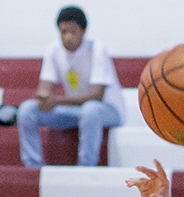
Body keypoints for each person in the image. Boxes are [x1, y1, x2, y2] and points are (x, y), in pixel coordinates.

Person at [18, 6, 124, 169]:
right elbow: (44, 87)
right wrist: (43, 98)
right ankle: (33, 168)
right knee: (27, 110)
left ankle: (86, 167)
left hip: (107, 110)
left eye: (72, 32)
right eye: (63, 32)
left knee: (91, 110)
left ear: (83, 31)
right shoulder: (53, 50)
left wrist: (56, 100)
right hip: (76, 112)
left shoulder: (97, 48)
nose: (67, 37)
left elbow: (97, 95)